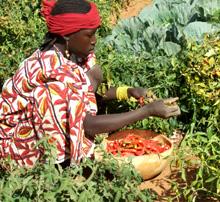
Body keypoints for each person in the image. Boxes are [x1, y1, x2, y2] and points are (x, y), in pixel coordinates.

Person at [0, 0, 181, 167]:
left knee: (95, 73)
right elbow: (87, 124)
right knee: (50, 96)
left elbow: (89, 88)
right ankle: (58, 165)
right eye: (89, 34)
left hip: (55, 116)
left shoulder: (72, 52)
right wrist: (147, 111)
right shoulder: (55, 73)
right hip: (21, 143)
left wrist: (129, 91)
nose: (94, 40)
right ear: (67, 36)